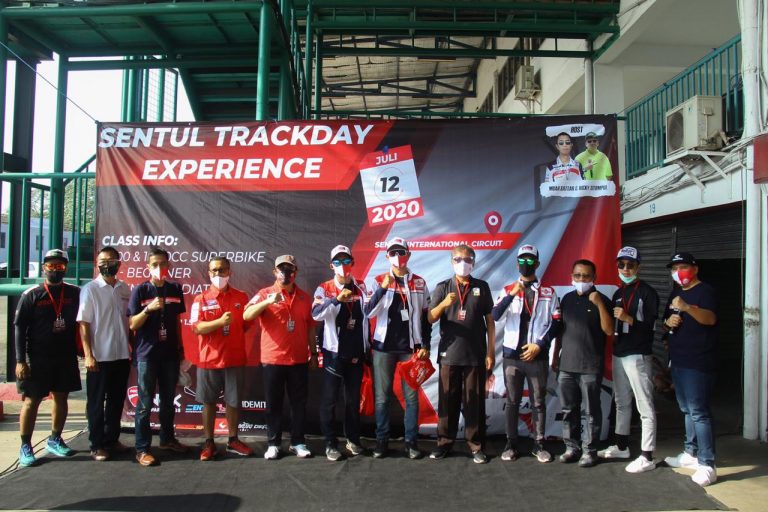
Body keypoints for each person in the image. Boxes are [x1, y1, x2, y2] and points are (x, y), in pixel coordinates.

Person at [244, 254, 317, 460]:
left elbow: (311, 328)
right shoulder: (265, 293)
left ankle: (298, 442)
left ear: (296, 272)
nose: (285, 273)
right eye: (281, 269)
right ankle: (273, 443)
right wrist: (267, 302)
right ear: (274, 272)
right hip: (273, 360)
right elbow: (246, 315)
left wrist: (313, 353)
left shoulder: (304, 297)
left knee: (299, 404)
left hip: (299, 359)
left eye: (289, 269)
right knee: (273, 404)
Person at [491, 244, 560, 463]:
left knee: (538, 402)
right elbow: (495, 315)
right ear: (517, 263)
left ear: (537, 264)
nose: (526, 264)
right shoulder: (508, 289)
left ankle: (539, 444)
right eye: (522, 260)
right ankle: (511, 444)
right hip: (512, 357)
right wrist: (512, 294)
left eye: (530, 260)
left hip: (537, 356)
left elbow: (557, 323)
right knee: (512, 401)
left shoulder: (548, 292)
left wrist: (539, 345)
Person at [364, 237, 431, 459]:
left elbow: (426, 317)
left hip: (410, 349)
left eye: (401, 252)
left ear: (408, 255)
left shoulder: (419, 282)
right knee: (382, 397)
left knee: (411, 398)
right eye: (393, 252)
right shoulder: (378, 281)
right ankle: (382, 440)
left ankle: (411, 442)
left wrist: (425, 344)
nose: (397, 257)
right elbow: (368, 312)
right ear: (387, 256)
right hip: (383, 348)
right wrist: (383, 288)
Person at [427, 245, 494, 464]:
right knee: (448, 401)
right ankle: (444, 443)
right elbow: (430, 318)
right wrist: (444, 303)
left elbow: (490, 322)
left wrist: (491, 351)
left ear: (473, 262)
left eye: (467, 259)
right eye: (458, 259)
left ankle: (476, 445)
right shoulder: (443, 287)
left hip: (475, 354)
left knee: (474, 402)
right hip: (449, 354)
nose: (462, 263)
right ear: (451, 262)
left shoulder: (482, 287)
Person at [14, 249, 81, 467]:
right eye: (51, 266)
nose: (55, 270)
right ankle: (25, 445)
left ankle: (55, 439)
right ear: (44, 268)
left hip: (65, 356)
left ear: (66, 268)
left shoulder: (74, 293)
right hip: (37, 358)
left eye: (60, 266)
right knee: (32, 401)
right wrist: (20, 360)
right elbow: (19, 328)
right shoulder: (32, 294)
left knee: (61, 398)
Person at [599, 247, 660, 473]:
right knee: (621, 402)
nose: (625, 269)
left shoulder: (648, 292)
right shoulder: (618, 293)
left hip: (638, 354)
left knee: (644, 404)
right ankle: (621, 446)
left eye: (630, 265)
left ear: (638, 267)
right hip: (619, 352)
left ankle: (647, 455)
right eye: (621, 264)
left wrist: (629, 318)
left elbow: (652, 327)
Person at [128, 247, 191, 467]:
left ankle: (167, 440)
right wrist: (148, 309)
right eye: (154, 264)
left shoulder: (175, 288)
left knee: (168, 401)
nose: (159, 268)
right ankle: (142, 449)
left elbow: (177, 322)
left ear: (169, 265)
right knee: (145, 404)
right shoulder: (140, 290)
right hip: (147, 355)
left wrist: (181, 349)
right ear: (148, 267)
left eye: (163, 264)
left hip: (170, 354)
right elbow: (133, 324)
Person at [661, 252, 718, 487]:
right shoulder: (675, 293)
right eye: (674, 269)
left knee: (699, 412)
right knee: (686, 409)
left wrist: (686, 308)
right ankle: (691, 453)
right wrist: (668, 322)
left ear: (695, 269)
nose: (678, 272)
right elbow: (666, 320)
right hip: (679, 360)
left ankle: (707, 464)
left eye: (683, 267)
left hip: (698, 362)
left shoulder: (705, 291)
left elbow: (710, 319)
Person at [190, 257, 254, 461]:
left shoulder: (241, 297)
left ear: (230, 272)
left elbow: (245, 325)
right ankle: (209, 442)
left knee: (233, 401)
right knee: (208, 402)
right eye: (214, 270)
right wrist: (219, 322)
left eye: (222, 270)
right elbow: (197, 328)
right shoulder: (200, 299)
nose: (218, 274)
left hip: (234, 358)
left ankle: (233, 440)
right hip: (209, 360)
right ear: (209, 273)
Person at [553, 259, 612, 468]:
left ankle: (590, 451)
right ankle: (572, 448)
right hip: (567, 365)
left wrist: (599, 304)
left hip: (590, 366)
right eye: (577, 275)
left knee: (591, 411)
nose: (581, 279)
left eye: (586, 276)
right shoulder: (567, 299)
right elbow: (560, 331)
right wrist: (555, 356)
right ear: (572, 276)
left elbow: (609, 330)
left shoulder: (602, 299)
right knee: (568, 410)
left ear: (594, 278)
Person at [311, 245, 369, 461]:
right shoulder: (324, 288)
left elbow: (370, 312)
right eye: (337, 262)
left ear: (352, 263)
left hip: (356, 352)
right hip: (334, 353)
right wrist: (336, 299)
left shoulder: (361, 286)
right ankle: (330, 443)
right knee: (330, 400)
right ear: (331, 265)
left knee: (353, 401)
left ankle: (353, 440)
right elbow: (316, 314)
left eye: (346, 261)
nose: (342, 266)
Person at [77, 247, 132, 462]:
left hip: (121, 355)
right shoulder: (90, 289)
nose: (107, 265)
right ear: (97, 264)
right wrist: (88, 355)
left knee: (116, 401)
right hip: (99, 356)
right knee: (96, 402)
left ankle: (112, 439)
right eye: (103, 261)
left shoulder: (124, 288)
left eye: (111, 261)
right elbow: (84, 323)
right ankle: (96, 444)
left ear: (118, 263)